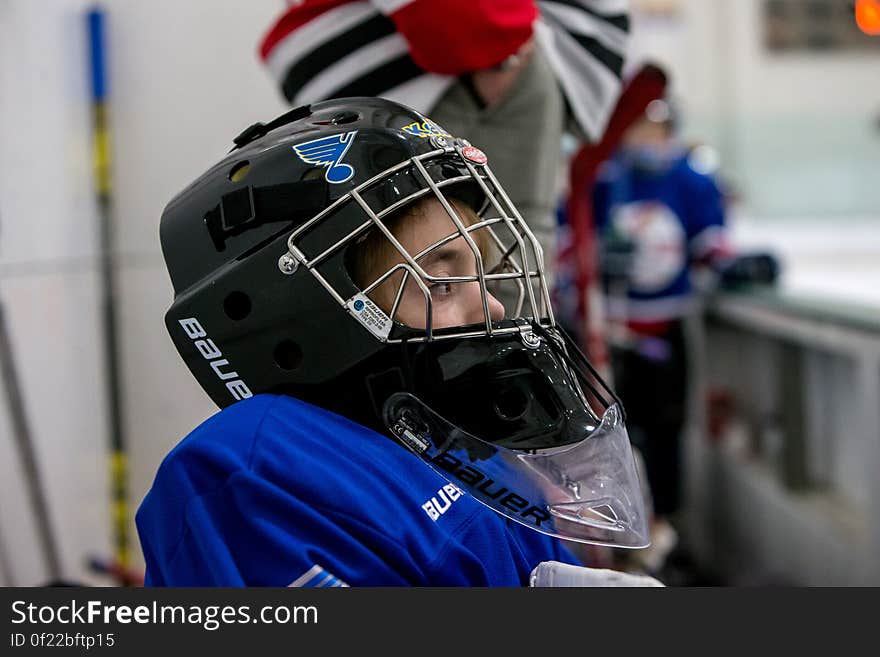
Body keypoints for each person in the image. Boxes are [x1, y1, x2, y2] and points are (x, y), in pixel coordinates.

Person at [135, 97, 655, 586]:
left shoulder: (455, 444)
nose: (493, 306)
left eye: (484, 273)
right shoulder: (249, 471)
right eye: (443, 283)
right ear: (314, 316)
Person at [257, 0, 632, 313]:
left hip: (442, 57)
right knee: (465, 282)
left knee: (430, 277)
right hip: (451, 55)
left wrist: (491, 37)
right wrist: (494, 39)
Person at [590, 96, 731, 572]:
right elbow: (574, 238)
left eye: (657, 128)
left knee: (667, 434)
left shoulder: (689, 178)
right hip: (609, 332)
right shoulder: (605, 177)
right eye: (639, 128)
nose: (648, 138)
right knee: (616, 439)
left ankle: (666, 535)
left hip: (666, 328)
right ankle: (623, 545)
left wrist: (727, 263)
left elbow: (709, 240)